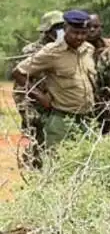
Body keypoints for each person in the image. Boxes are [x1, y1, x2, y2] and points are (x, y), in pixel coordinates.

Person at [13, 10, 94, 161]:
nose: (79, 37)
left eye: (83, 33)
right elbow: (19, 76)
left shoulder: (87, 49)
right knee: (55, 159)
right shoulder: (50, 52)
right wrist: (40, 100)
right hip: (59, 115)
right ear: (66, 29)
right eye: (75, 32)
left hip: (85, 117)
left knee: (84, 160)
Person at [11, 10, 64, 168]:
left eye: (63, 26)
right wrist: (28, 113)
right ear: (47, 31)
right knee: (38, 144)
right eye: (57, 27)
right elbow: (20, 87)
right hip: (38, 107)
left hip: (59, 106)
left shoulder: (65, 48)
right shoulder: (32, 52)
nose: (61, 30)